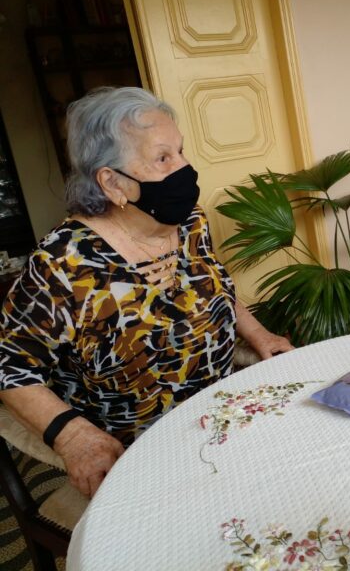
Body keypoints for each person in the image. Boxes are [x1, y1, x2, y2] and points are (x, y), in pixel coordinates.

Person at [0, 87, 293, 497]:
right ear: (112, 182)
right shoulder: (63, 264)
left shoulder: (190, 222)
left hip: (223, 418)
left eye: (181, 151)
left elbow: (216, 286)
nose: (185, 169)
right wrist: (72, 438)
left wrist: (259, 334)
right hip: (140, 457)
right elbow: (11, 367)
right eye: (162, 158)